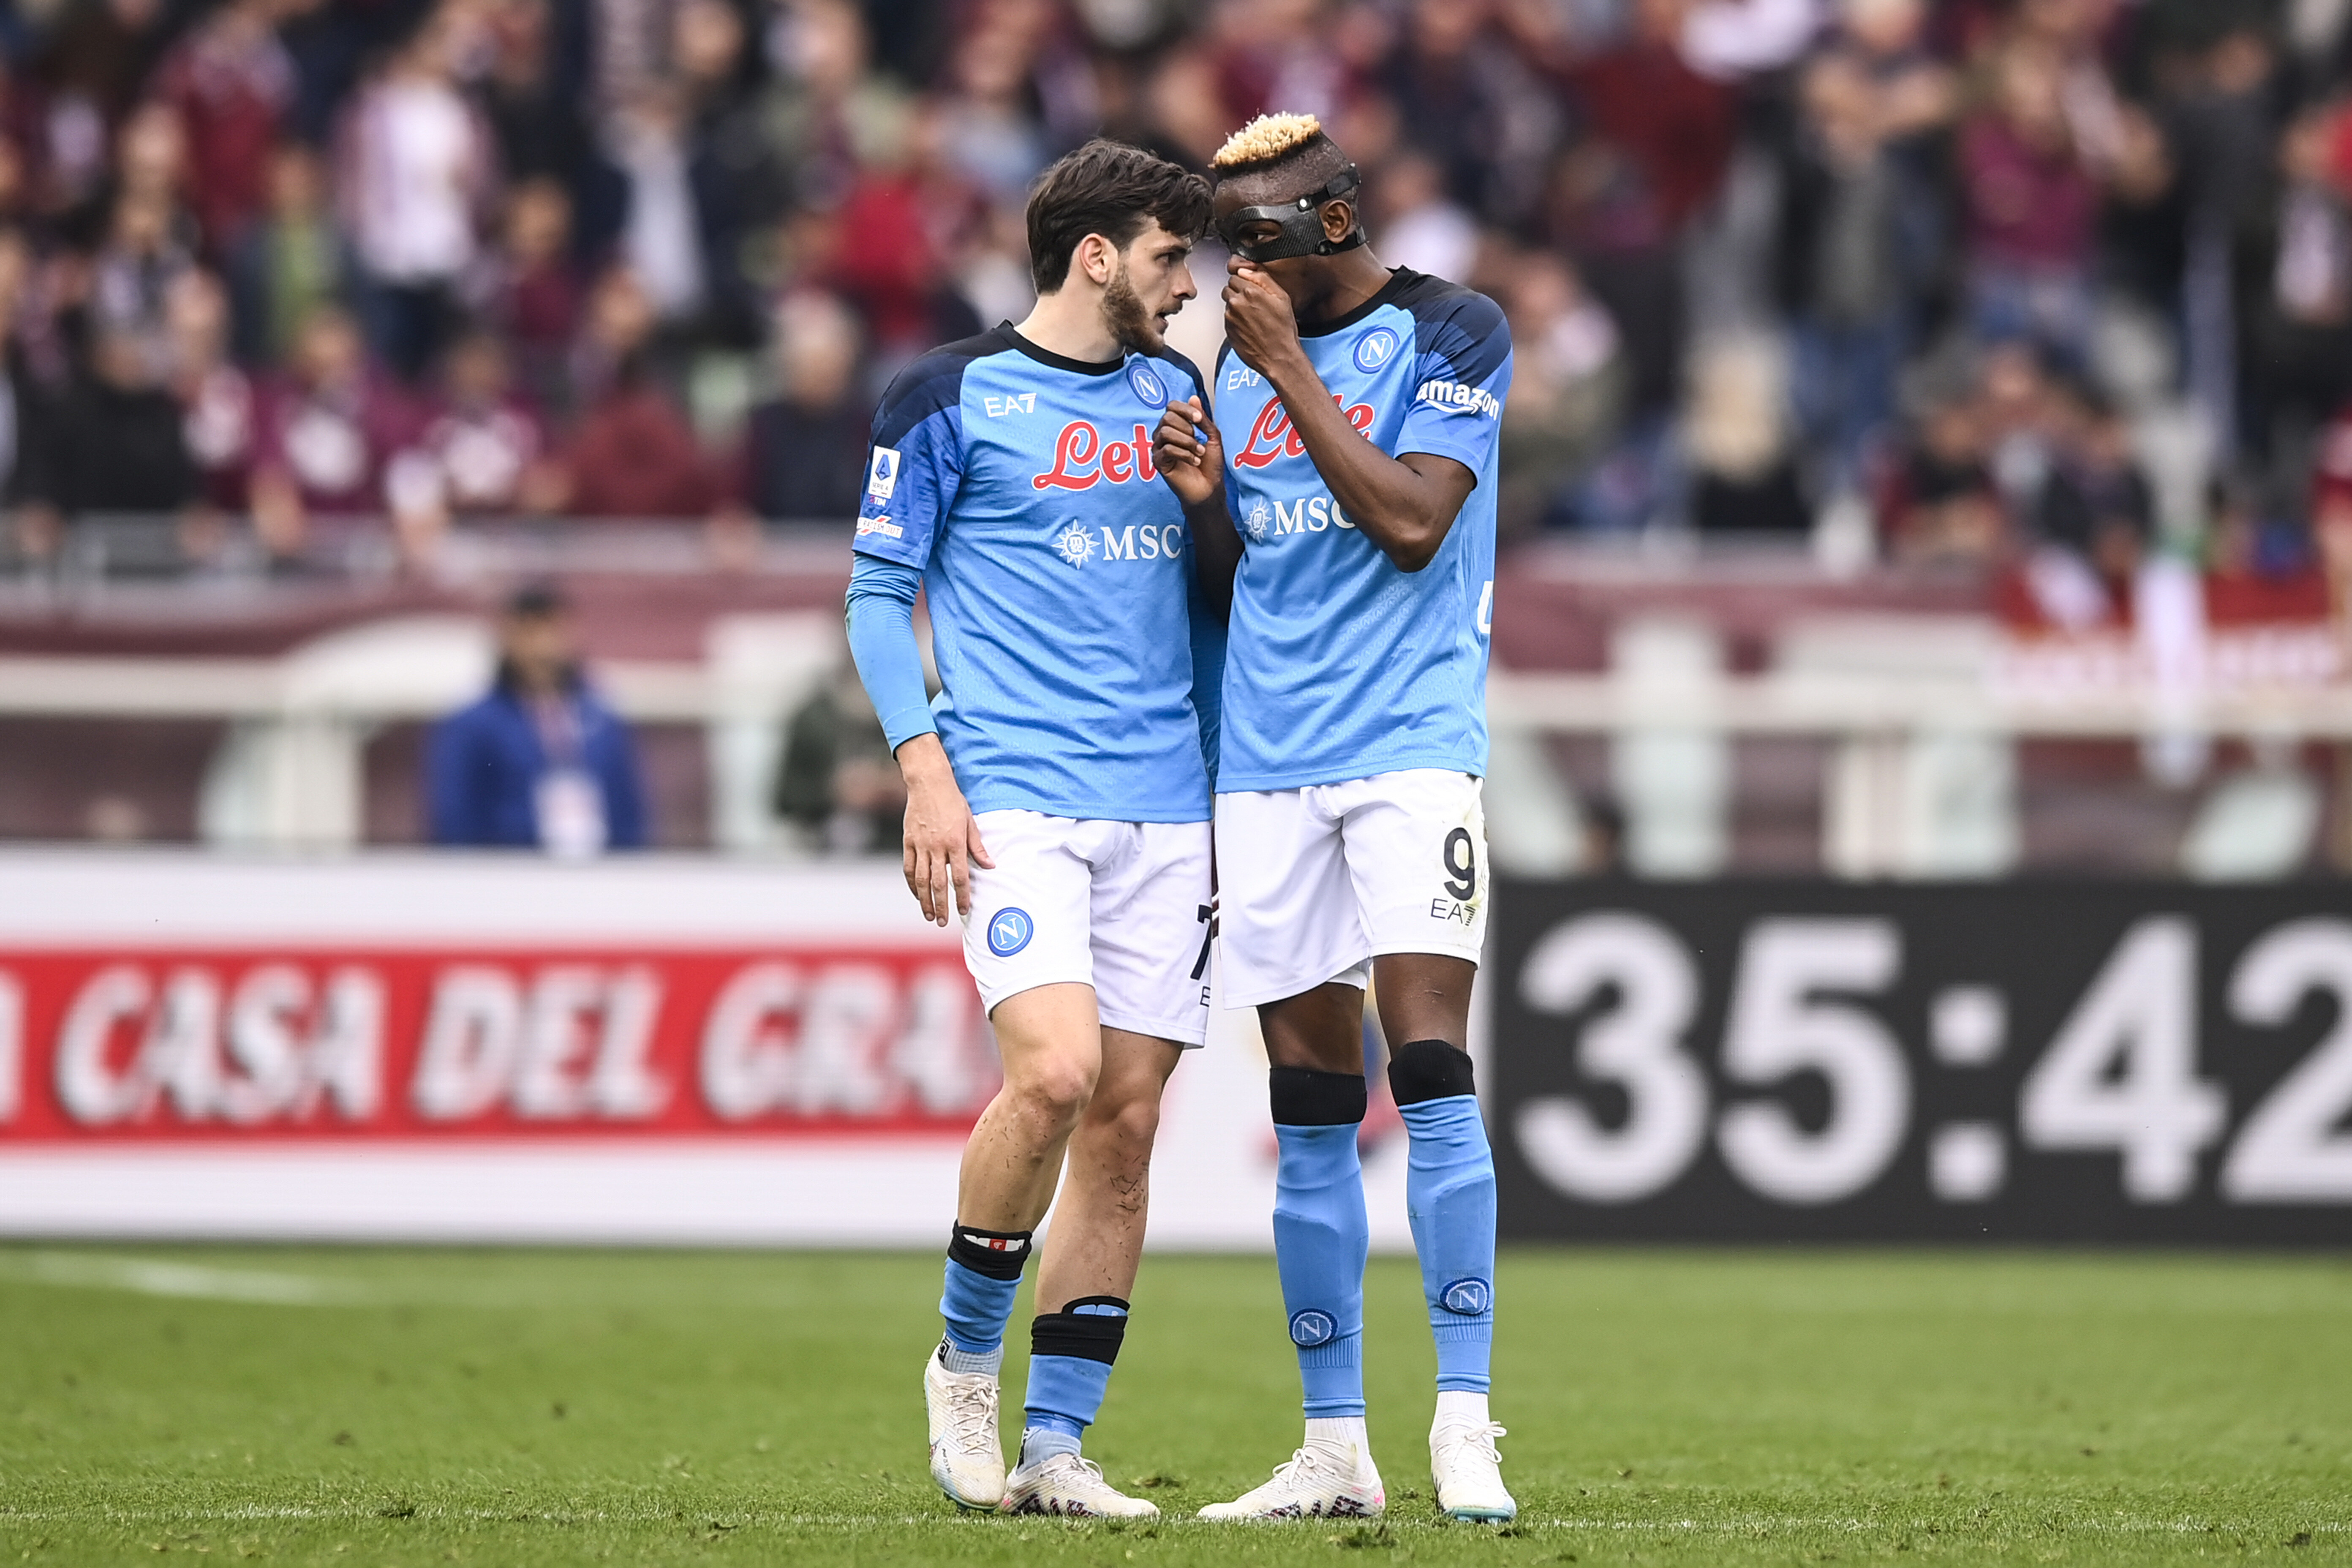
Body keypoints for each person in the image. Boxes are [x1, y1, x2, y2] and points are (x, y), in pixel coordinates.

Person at [844, 139, 1217, 1520]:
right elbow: (879, 595)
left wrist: (1210, 506)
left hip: (1167, 806)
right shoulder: (941, 394)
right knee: (1053, 1075)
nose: (1191, 286)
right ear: (1098, 255)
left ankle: (1057, 1449)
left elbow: (1208, 597)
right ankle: (961, 1361)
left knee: (1123, 1125)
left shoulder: (1178, 393)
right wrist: (921, 766)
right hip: (1014, 795)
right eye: (1172, 256)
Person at [1153, 112, 1515, 1524]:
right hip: (1264, 765)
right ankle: (1331, 1450)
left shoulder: (1454, 331)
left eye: (1248, 245)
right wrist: (1201, 507)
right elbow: (1260, 574)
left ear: (1328, 230)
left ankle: (1466, 1422)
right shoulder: (1235, 368)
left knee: (1427, 1070)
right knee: (1308, 1112)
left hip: (1409, 751)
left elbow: (1412, 520)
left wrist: (1288, 371)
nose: (1225, 276)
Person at [426, 582, 647, 854]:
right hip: (509, 875)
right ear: (507, 638)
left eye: (553, 631)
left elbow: (629, 811)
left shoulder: (602, 719)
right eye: (530, 633)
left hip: (595, 873)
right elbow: (456, 820)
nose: (543, 647)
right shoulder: (472, 725)